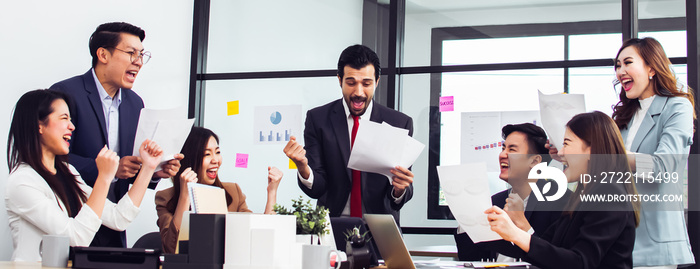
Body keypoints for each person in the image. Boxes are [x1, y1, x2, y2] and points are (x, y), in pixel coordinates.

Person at [49, 22, 183, 247]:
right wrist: (109, 170)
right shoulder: (66, 93)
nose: (139, 62)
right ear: (103, 54)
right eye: (131, 53)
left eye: (142, 55)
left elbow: (129, 167)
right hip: (72, 217)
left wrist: (156, 170)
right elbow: (52, 158)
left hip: (115, 222)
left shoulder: (135, 103)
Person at [5, 90, 163, 261]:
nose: (71, 126)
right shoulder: (22, 181)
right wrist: (104, 177)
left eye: (70, 119)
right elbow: (75, 237)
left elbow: (119, 218)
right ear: (39, 126)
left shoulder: (68, 171)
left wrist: (148, 167)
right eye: (64, 118)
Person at [485, 111, 640, 269]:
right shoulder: (580, 199)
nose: (560, 153)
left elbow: (580, 263)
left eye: (566, 143)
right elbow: (549, 250)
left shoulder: (609, 197)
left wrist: (516, 233)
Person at [283, 44, 414, 224]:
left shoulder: (399, 123)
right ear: (339, 80)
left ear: (377, 81)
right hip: (332, 225)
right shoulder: (318, 119)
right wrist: (303, 167)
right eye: (351, 83)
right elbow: (317, 188)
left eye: (366, 84)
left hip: (380, 228)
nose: (358, 92)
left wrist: (399, 190)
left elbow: (399, 194)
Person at [613, 37, 695, 268]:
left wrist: (611, 154)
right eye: (618, 66)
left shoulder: (677, 107)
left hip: (655, 244)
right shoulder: (623, 117)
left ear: (651, 68)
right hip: (618, 239)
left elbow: (662, 168)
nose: (620, 71)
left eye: (627, 62)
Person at [155, 127, 283, 254]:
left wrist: (272, 193)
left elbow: (260, 237)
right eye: (207, 154)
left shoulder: (233, 192)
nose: (215, 160)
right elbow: (172, 251)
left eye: (217, 152)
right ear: (189, 159)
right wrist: (185, 196)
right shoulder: (165, 198)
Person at [454, 123, 570, 261]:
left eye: (512, 149)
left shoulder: (562, 201)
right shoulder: (495, 202)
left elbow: (557, 260)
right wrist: (465, 218)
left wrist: (522, 224)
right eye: (503, 148)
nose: (503, 154)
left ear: (535, 161)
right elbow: (470, 258)